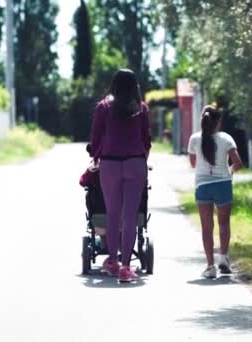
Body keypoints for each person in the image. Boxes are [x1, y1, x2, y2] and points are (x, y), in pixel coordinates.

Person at [89, 69, 151, 282]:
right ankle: (126, 267)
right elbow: (147, 140)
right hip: (135, 163)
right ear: (135, 86)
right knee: (130, 216)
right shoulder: (141, 109)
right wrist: (142, 159)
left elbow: (95, 138)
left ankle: (112, 262)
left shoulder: (104, 107)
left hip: (110, 165)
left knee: (112, 214)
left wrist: (95, 155)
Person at [187, 106, 244, 278]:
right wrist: (230, 171)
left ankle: (210, 266)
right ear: (218, 122)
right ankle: (224, 258)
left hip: (202, 186)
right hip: (223, 185)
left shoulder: (195, 139)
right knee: (224, 224)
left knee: (206, 227)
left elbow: (193, 164)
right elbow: (238, 163)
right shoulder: (226, 138)